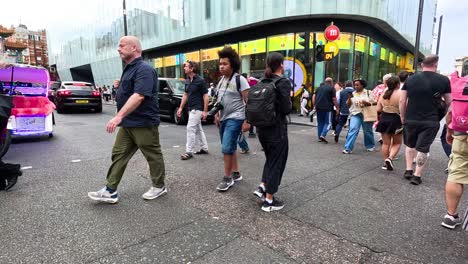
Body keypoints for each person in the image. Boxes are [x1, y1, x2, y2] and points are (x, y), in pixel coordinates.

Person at [88, 36, 166, 203]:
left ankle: (159, 186)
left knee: (152, 155)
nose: (118, 49)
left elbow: (139, 96)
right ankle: (110, 190)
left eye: (122, 46)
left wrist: (118, 117)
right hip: (128, 123)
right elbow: (131, 92)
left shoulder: (144, 69)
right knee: (118, 154)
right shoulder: (129, 68)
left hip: (143, 122)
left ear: (134, 48)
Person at [400, 55, 452, 185]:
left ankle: (408, 170)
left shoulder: (410, 79)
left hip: (411, 118)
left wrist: (402, 116)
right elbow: (449, 101)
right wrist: (441, 112)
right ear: (436, 65)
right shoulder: (444, 80)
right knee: (423, 148)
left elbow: (402, 100)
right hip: (431, 120)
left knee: (410, 145)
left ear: (422, 65)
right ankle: (417, 176)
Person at [252, 52, 292, 212]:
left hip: (262, 128)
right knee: (277, 162)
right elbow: (286, 108)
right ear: (281, 65)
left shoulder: (263, 81)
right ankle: (269, 200)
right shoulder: (282, 82)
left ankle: (263, 186)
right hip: (277, 129)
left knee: (271, 159)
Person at [213, 46, 250, 192]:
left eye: (225, 64)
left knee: (227, 147)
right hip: (223, 118)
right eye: (220, 64)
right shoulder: (221, 80)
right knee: (230, 147)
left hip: (236, 118)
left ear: (232, 65)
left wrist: (248, 121)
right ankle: (236, 173)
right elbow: (219, 100)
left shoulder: (240, 80)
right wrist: (216, 114)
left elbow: (249, 101)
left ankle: (227, 178)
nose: (221, 66)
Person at [442, 96, 467, 229]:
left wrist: (449, 131)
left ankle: (451, 216)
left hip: (462, 134)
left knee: (456, 173)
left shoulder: (463, 84)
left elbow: (451, 112)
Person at [177, 60, 209, 160]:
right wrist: (181, 107)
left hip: (197, 108)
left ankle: (189, 151)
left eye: (186, 66)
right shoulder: (187, 80)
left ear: (192, 68)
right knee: (198, 129)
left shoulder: (200, 80)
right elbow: (185, 94)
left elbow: (205, 96)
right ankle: (204, 148)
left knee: (190, 128)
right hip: (191, 108)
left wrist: (205, 111)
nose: (184, 68)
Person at [376, 76, 402, 171]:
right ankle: (390, 158)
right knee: (397, 142)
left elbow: (378, 109)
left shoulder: (383, 94)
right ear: (398, 84)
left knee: (385, 143)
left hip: (384, 118)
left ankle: (385, 162)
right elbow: (404, 107)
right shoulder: (401, 94)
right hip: (396, 119)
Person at [342, 79, 375, 154]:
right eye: (355, 85)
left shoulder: (368, 92)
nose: (355, 86)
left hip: (366, 114)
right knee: (352, 129)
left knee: (367, 131)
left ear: (362, 85)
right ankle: (348, 148)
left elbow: (373, 103)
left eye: (357, 85)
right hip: (355, 114)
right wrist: (350, 98)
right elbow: (349, 104)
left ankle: (370, 145)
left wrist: (366, 102)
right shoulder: (353, 93)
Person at [313, 77, 339, 143]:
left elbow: (314, 97)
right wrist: (337, 108)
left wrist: (314, 105)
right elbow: (334, 99)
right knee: (328, 123)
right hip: (327, 108)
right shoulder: (332, 88)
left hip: (318, 107)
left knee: (320, 123)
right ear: (331, 82)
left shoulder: (319, 88)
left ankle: (319, 137)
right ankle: (323, 134)